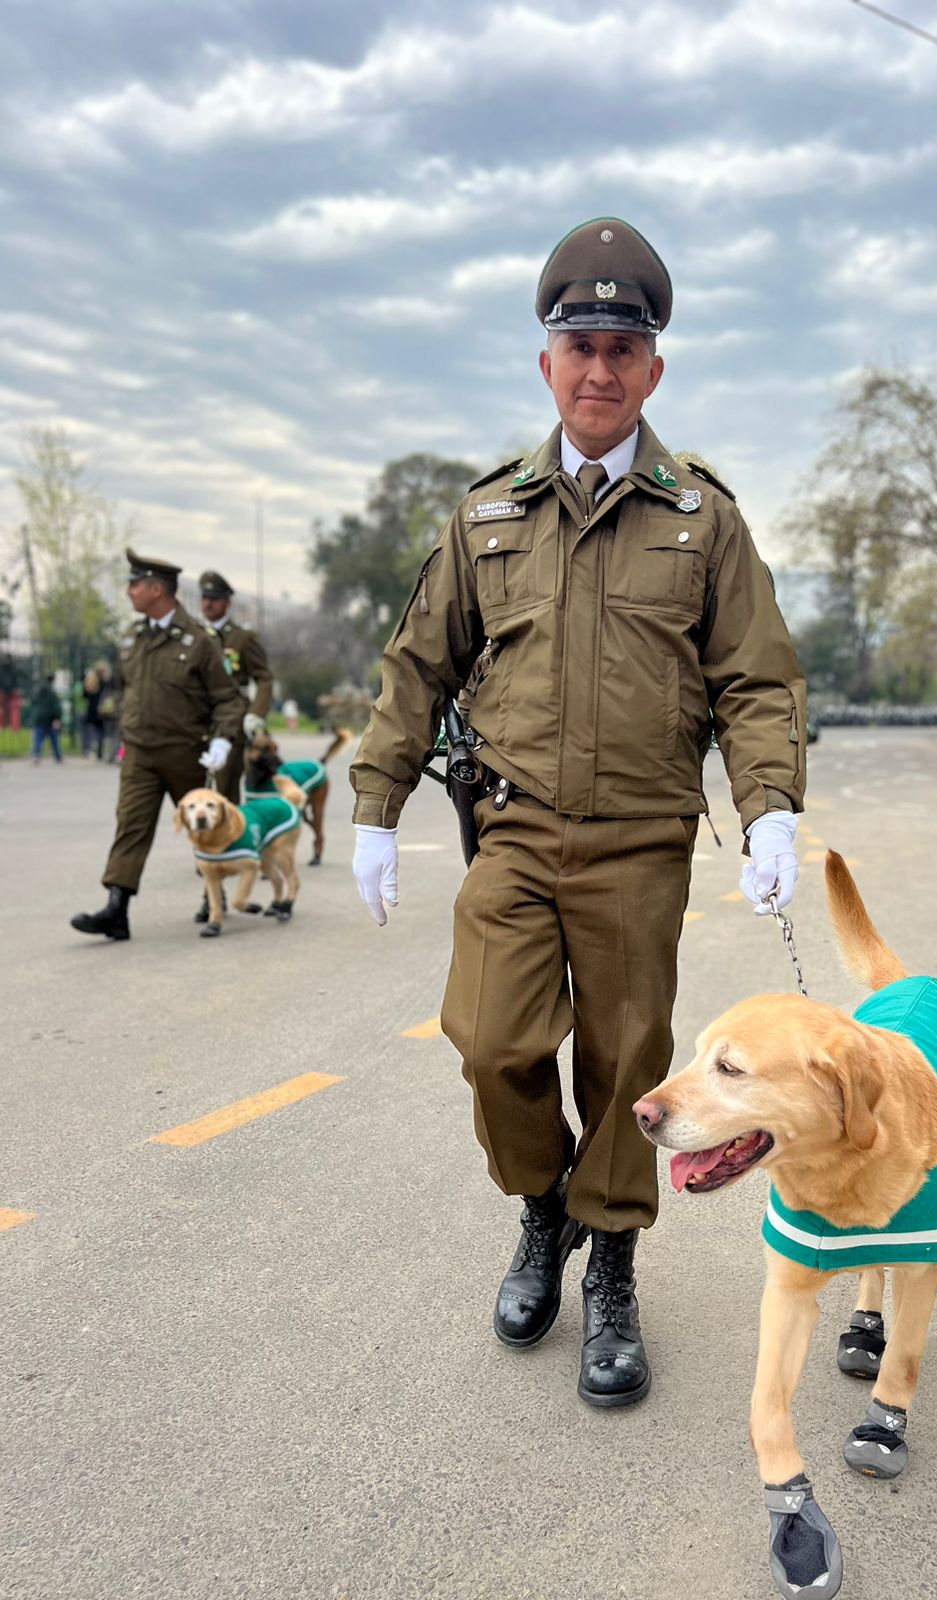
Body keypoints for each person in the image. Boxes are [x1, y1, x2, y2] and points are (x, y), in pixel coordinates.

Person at [350, 217, 806, 1408]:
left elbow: (756, 677)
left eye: (622, 345)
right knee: (493, 1041)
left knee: (625, 1062)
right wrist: (374, 805)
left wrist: (769, 809)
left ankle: (610, 1261)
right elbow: (418, 666)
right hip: (513, 827)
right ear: (544, 361)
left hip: (642, 842)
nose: (599, 368)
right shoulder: (487, 513)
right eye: (577, 344)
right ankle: (542, 1206)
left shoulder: (704, 519)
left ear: (654, 366)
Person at [70, 549, 244, 943]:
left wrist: (221, 739)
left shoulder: (198, 641)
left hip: (186, 753)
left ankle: (211, 896)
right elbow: (126, 691)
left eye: (135, 584)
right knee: (130, 824)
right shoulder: (132, 638)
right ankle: (117, 907)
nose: (129, 591)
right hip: (140, 754)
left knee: (207, 828)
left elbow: (229, 698)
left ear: (156, 588)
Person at [197, 570, 273, 801]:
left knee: (226, 786)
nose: (208, 604)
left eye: (215, 598)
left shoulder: (243, 638)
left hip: (233, 718)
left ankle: (232, 834)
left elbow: (263, 677)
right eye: (205, 598)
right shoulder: (194, 636)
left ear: (226, 603)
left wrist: (255, 713)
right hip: (198, 717)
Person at [30, 673, 63, 765]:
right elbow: (56, 706)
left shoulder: (37, 691)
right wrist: (57, 718)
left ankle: (36, 754)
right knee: (54, 739)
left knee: (38, 739)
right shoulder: (52, 692)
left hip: (39, 718)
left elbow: (32, 703)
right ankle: (58, 756)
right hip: (50, 718)